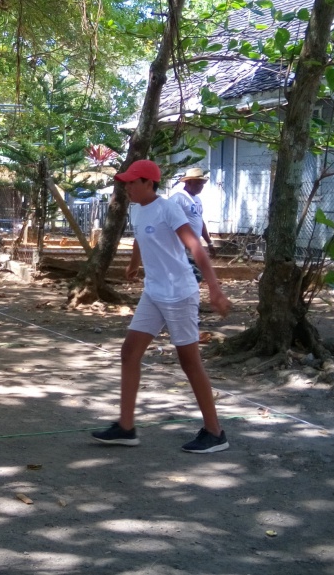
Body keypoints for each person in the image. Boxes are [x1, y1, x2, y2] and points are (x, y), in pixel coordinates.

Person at [91, 159, 232, 453]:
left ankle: (215, 432)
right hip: (153, 292)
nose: (127, 187)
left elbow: (195, 247)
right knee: (129, 353)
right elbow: (141, 240)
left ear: (148, 183)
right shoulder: (137, 209)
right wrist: (133, 265)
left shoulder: (169, 207)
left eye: (132, 182)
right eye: (126, 182)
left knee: (189, 361)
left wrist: (215, 289)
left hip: (179, 293)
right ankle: (126, 427)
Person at [170, 167, 215, 281]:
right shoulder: (178, 198)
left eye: (202, 183)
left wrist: (209, 243)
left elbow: (200, 220)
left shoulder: (197, 200)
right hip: (182, 244)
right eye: (199, 183)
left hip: (195, 243)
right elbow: (168, 220)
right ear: (189, 182)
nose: (202, 186)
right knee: (194, 274)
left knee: (192, 274)